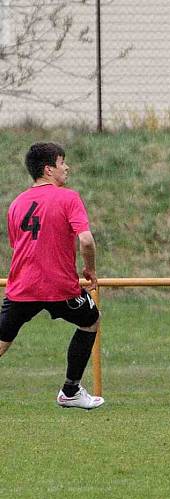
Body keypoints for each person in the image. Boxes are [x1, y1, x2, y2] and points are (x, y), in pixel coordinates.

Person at [0, 142, 103, 409]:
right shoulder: (68, 197)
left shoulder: (16, 204)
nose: (66, 167)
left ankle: (72, 392)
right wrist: (90, 268)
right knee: (91, 319)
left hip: (22, 287)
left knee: (2, 342)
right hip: (60, 287)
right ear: (48, 169)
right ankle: (70, 391)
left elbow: (18, 245)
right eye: (61, 163)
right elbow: (87, 240)